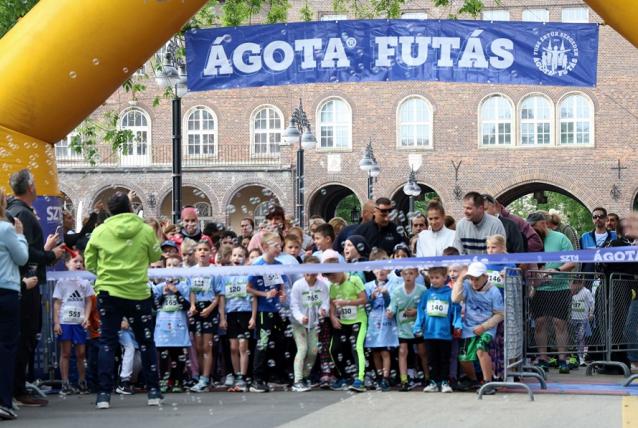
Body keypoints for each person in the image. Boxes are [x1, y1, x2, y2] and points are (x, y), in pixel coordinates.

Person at [84, 191, 162, 409]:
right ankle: (153, 392)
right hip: (138, 292)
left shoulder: (100, 231)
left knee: (107, 342)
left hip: (109, 292)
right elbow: (156, 256)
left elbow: (89, 262)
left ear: (110, 210)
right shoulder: (145, 230)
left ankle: (103, 395)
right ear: (130, 207)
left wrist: (105, 274)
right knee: (146, 342)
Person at [7, 169, 64, 407]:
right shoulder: (23, 214)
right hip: (26, 285)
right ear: (31, 187)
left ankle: (17, 387)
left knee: (24, 336)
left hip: (22, 283)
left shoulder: (16, 211)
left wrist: (46, 250)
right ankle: (18, 389)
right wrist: (50, 255)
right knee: (26, 336)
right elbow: (25, 253)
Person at [526, 212, 576, 374]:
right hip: (539, 289)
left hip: (560, 287)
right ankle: (543, 359)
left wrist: (556, 270)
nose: (531, 230)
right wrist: (536, 274)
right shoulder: (531, 240)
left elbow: (572, 261)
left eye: (533, 227)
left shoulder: (561, 238)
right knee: (539, 323)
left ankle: (562, 359)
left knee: (559, 323)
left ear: (543, 224)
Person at [247, 232, 289, 393]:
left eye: (280, 245)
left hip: (277, 310)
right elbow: (249, 288)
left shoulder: (279, 265)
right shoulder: (258, 265)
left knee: (278, 343)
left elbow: (281, 286)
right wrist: (265, 294)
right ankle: (257, 379)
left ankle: (275, 376)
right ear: (264, 247)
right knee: (262, 344)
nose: (279, 249)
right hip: (263, 311)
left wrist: (282, 294)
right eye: (275, 246)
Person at [452, 262, 504, 392]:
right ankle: (473, 380)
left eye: (477, 279)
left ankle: (488, 383)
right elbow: (455, 299)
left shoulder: (494, 291)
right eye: (471, 278)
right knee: (463, 357)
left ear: (485, 277)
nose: (474, 282)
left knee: (481, 349)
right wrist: (460, 279)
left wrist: (484, 326)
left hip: (487, 328)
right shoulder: (467, 286)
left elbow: (500, 314)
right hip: (468, 327)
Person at [0, 188, 28, 421]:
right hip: (6, 290)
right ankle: (3, 401)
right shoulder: (6, 229)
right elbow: (22, 258)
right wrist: (20, 235)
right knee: (6, 347)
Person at [413, 266, 462, 393]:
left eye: (437, 277)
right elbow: (420, 311)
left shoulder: (450, 293)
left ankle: (445, 382)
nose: (434, 280)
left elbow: (456, 310)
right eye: (431, 278)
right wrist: (417, 326)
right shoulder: (426, 294)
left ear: (445, 278)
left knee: (445, 359)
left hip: (445, 334)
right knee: (432, 359)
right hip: (429, 333)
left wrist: (457, 324)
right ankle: (433, 382)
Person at [325, 251, 368, 393]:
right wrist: (332, 317)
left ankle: (360, 379)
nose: (332, 280)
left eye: (333, 276)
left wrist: (346, 302)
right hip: (343, 321)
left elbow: (364, 299)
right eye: (329, 278)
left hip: (358, 320)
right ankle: (344, 376)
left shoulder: (354, 280)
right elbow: (332, 302)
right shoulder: (333, 286)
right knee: (333, 349)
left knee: (357, 348)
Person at [53, 253, 94, 395]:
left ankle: (82, 381)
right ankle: (65, 383)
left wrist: (86, 317)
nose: (79, 264)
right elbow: (57, 303)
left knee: (81, 353)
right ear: (67, 264)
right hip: (65, 322)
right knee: (65, 353)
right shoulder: (61, 281)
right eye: (75, 261)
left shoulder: (85, 282)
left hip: (79, 322)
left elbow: (89, 301)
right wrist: (56, 323)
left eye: (81, 262)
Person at [188, 240, 224, 393]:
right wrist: (192, 305)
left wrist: (212, 309)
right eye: (199, 249)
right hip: (197, 310)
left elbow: (219, 294)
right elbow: (191, 290)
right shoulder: (191, 271)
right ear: (196, 253)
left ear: (211, 253)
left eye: (205, 249)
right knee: (198, 347)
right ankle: (201, 377)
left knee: (207, 346)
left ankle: (205, 378)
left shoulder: (215, 271)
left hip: (210, 308)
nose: (202, 252)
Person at [289, 256, 329, 392]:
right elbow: (294, 306)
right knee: (302, 349)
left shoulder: (322, 286)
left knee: (313, 351)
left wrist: (323, 310)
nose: (310, 272)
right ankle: (297, 381)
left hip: (314, 323)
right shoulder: (298, 285)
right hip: (298, 323)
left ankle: (305, 377)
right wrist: (301, 318)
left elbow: (325, 302)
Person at [152, 256, 191, 393]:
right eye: (169, 265)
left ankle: (177, 381)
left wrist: (176, 292)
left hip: (178, 326)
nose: (171, 268)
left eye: (175, 265)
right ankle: (163, 381)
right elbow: (154, 306)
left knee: (178, 355)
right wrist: (163, 295)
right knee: (163, 356)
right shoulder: (158, 288)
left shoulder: (184, 286)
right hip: (162, 328)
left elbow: (187, 306)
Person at [387, 267, 427, 391]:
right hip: (403, 328)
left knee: (423, 352)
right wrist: (390, 312)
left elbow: (426, 308)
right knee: (402, 352)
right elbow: (392, 306)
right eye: (405, 274)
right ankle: (404, 380)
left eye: (411, 273)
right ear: (401, 275)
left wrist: (416, 311)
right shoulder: (396, 291)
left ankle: (427, 377)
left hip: (418, 327)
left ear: (416, 274)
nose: (408, 276)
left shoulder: (422, 290)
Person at [364, 250, 398, 391]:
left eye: (384, 267)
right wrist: (371, 298)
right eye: (377, 267)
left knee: (385, 351)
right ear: (372, 269)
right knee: (375, 351)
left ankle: (385, 377)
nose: (381, 270)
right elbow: (366, 306)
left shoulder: (392, 285)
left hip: (386, 323)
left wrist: (386, 295)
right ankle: (378, 376)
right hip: (373, 323)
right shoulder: (368, 286)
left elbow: (392, 304)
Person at [220, 246, 252, 392]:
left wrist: (253, 317)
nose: (237, 258)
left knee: (243, 346)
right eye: (234, 255)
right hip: (231, 313)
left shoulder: (248, 275)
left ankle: (242, 377)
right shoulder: (225, 275)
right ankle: (236, 374)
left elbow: (253, 297)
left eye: (240, 255)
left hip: (245, 313)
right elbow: (222, 298)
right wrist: (222, 317)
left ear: (245, 258)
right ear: (230, 257)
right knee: (233, 347)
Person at [580, 207, 617, 273]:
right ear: (592, 219)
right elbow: (579, 256)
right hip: (588, 276)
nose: (597, 219)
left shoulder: (615, 236)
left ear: (606, 218)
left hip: (608, 276)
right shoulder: (585, 237)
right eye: (595, 217)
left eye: (601, 217)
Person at [569, 278, 595, 368]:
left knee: (580, 338)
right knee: (574, 338)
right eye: (574, 283)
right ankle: (574, 356)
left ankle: (580, 357)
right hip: (573, 318)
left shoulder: (586, 291)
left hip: (582, 319)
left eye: (577, 283)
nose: (575, 285)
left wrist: (591, 313)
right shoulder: (572, 291)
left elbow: (592, 303)